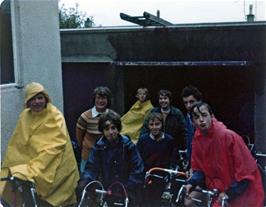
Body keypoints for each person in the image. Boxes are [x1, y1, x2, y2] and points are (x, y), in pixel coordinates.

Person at [0, 82, 80, 207]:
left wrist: (31, 170)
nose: (37, 102)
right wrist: (14, 167)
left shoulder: (55, 117)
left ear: (46, 99)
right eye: (32, 98)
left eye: (40, 97)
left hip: (56, 170)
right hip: (32, 171)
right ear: (27, 101)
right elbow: (17, 145)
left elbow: (53, 149)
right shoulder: (24, 116)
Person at [184, 102, 264, 207]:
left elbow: (246, 174)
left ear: (212, 116)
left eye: (204, 115)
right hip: (217, 191)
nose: (201, 120)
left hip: (241, 193)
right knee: (188, 201)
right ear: (192, 122)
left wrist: (229, 194)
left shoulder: (229, 136)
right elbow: (200, 170)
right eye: (196, 117)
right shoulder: (197, 140)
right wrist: (191, 182)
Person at [77, 110, 144, 206]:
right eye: (107, 129)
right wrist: (85, 182)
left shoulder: (128, 146)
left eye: (113, 128)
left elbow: (138, 169)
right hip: (108, 190)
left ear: (118, 129)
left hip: (127, 191)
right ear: (102, 131)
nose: (111, 132)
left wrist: (129, 186)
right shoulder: (98, 147)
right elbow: (91, 168)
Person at [137, 112, 178, 207]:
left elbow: (173, 159)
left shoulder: (169, 140)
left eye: (157, 124)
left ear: (162, 125)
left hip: (163, 177)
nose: (154, 127)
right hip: (147, 176)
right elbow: (138, 159)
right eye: (151, 124)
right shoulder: (143, 140)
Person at [76, 86, 112, 173]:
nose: (100, 101)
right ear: (94, 99)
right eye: (98, 98)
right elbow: (79, 138)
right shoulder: (85, 117)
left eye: (103, 98)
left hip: (107, 156)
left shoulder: (112, 116)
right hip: (88, 156)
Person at [180, 85, 203, 168]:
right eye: (186, 103)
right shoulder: (188, 116)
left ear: (199, 101)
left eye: (191, 101)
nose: (189, 105)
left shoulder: (206, 119)